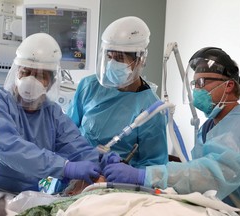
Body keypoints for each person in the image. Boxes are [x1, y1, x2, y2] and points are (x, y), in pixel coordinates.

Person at [102, 47, 240, 215]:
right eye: (194, 84)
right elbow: (198, 172)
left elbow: (209, 175)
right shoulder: (210, 126)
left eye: (202, 83)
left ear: (229, 85)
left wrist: (145, 176)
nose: (196, 90)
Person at [0, 33, 102, 194]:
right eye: (26, 72)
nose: (30, 80)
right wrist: (65, 167)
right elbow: (8, 148)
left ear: (51, 82)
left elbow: (75, 146)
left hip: (25, 196)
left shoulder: (52, 113)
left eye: (40, 75)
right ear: (16, 72)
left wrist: (102, 161)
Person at [67, 16, 168, 168]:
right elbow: (67, 133)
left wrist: (125, 175)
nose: (112, 63)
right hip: (77, 171)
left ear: (140, 60)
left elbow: (154, 164)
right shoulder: (89, 86)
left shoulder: (151, 109)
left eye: (120, 58)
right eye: (109, 57)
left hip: (116, 183)